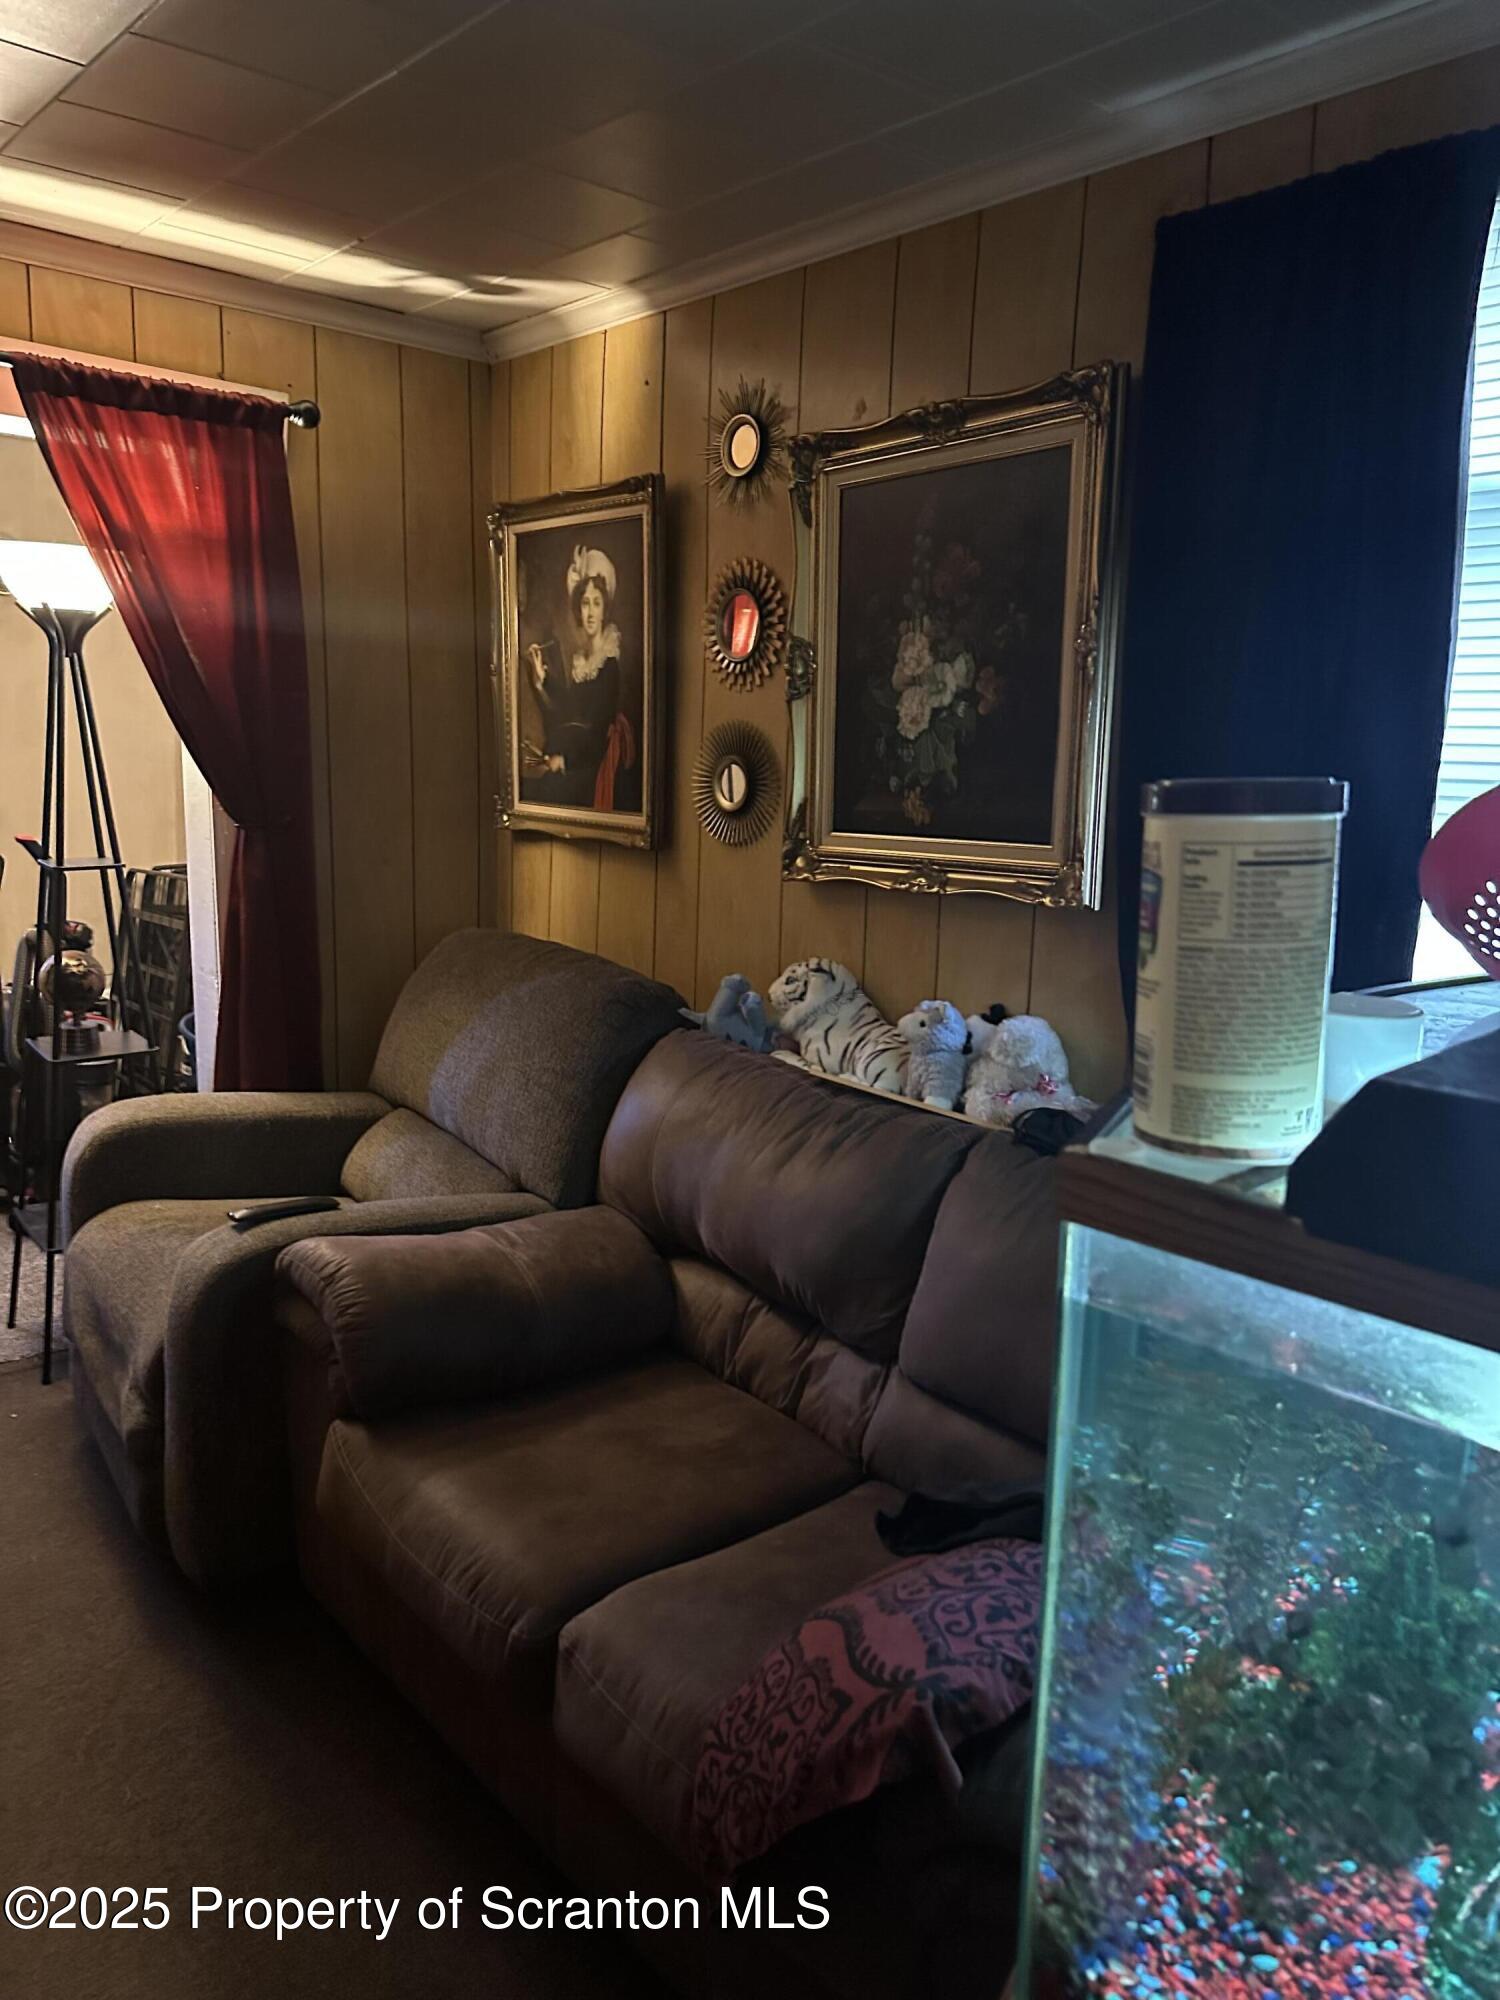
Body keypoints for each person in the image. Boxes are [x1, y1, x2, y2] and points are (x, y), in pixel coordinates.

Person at [523, 544, 637, 811]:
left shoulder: (609, 666)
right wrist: (544, 678)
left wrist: (564, 761)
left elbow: (597, 733)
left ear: (605, 608)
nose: (590, 612)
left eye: (596, 603)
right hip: (578, 759)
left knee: (547, 793)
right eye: (585, 603)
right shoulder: (582, 660)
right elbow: (570, 707)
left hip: (592, 765)